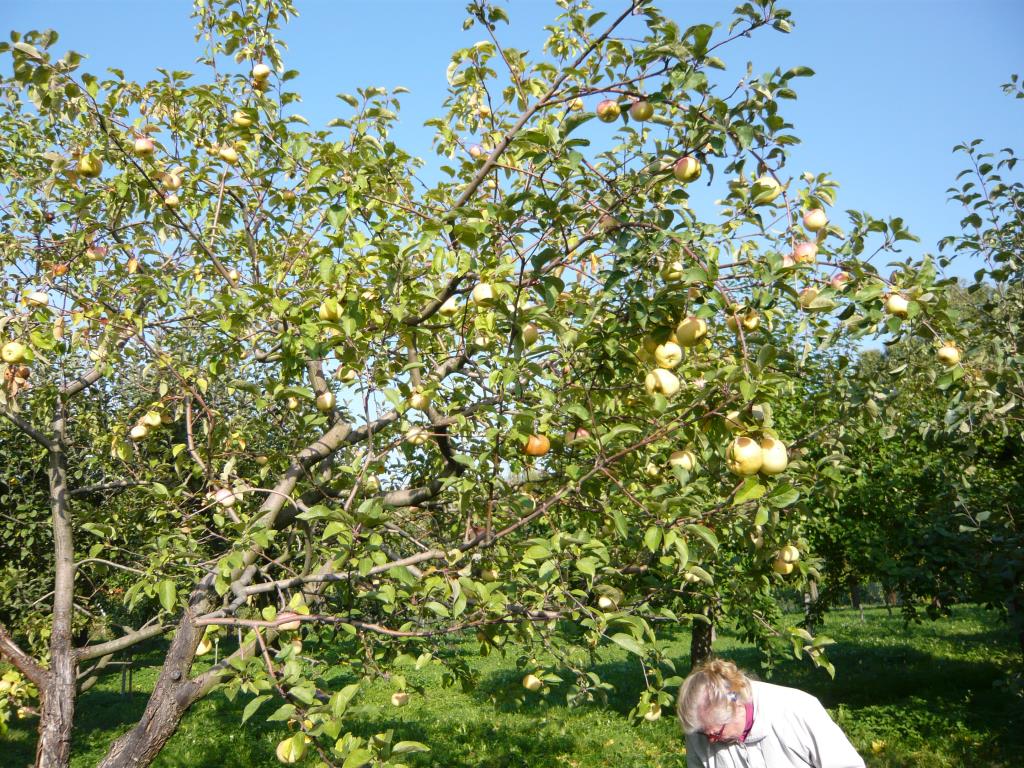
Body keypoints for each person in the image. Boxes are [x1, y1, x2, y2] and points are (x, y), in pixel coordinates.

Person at [676, 658, 865, 768]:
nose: (709, 740)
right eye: (703, 733)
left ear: (737, 706)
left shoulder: (798, 710)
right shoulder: (701, 728)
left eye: (716, 733)